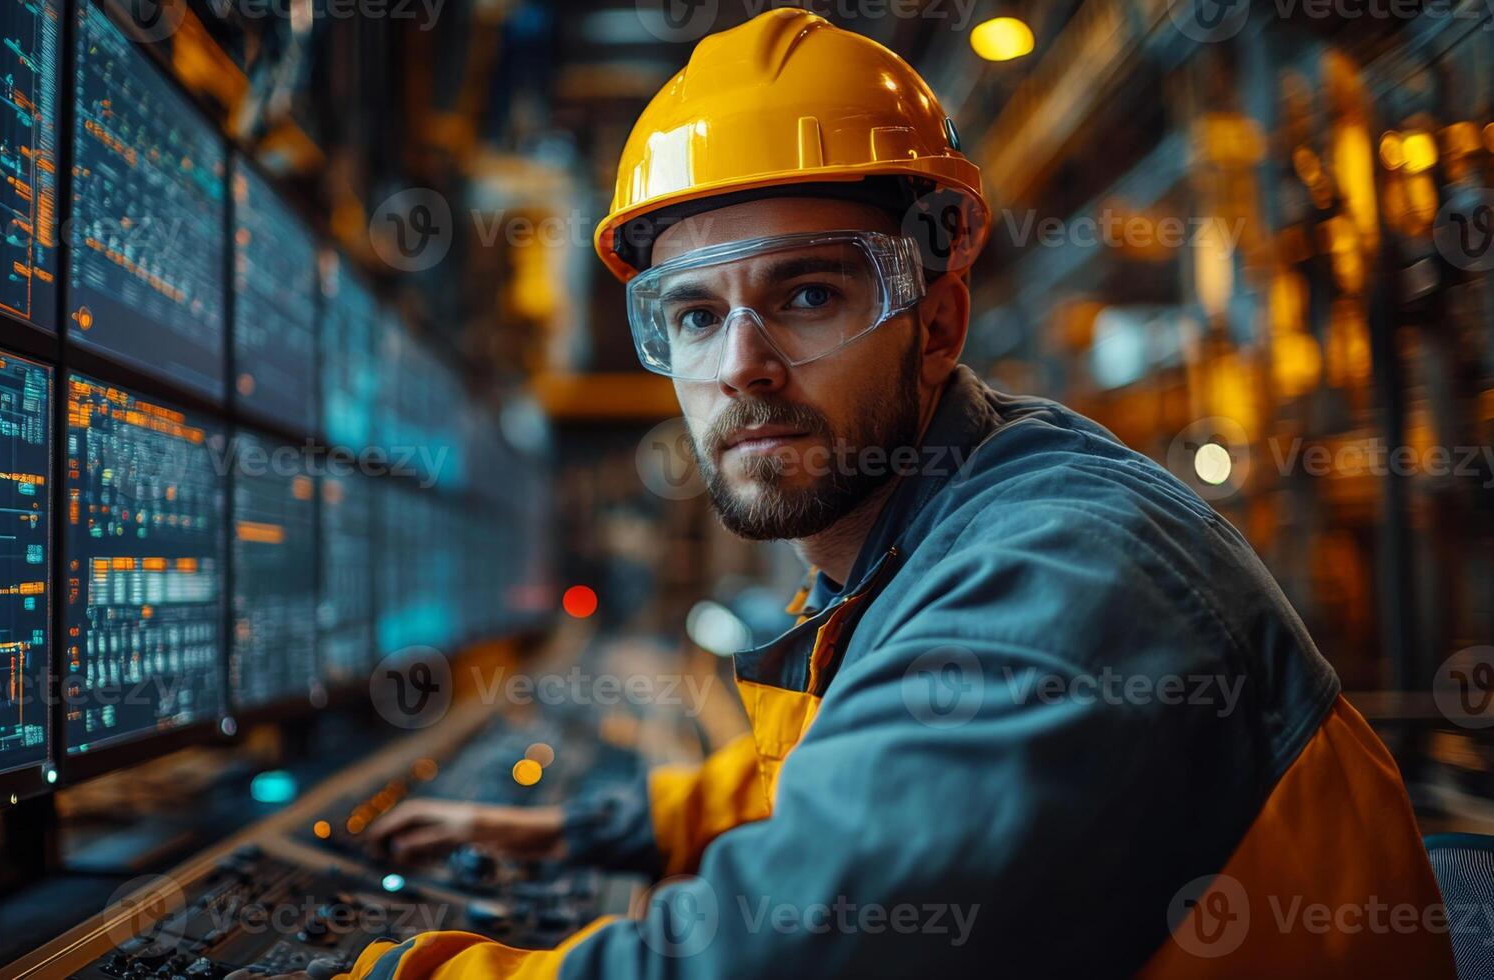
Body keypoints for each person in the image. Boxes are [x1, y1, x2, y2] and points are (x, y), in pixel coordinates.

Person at [268, 10, 1454, 978]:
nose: (740, 365)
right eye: (693, 315)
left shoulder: (1065, 565)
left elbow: (781, 955)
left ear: (935, 320)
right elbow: (864, 757)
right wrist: (596, 826)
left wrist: (375, 974)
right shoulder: (925, 534)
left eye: (808, 296)